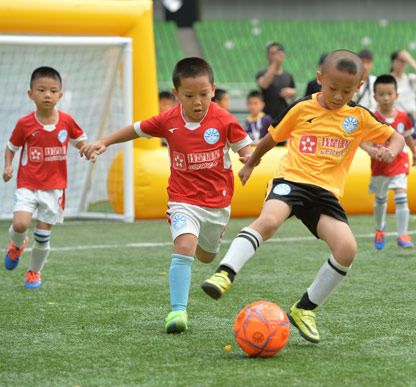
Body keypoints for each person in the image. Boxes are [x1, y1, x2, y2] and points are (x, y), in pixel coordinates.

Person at [200, 50, 405, 343]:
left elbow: (396, 137)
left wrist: (391, 151)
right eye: (332, 88)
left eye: (347, 90)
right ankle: (225, 273)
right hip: (291, 181)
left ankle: (305, 309)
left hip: (325, 194)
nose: (337, 96)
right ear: (320, 79)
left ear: (359, 87)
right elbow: (271, 138)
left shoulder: (358, 116)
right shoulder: (300, 109)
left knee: (347, 248)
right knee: (269, 221)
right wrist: (251, 163)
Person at [80, 57, 253, 333]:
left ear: (213, 89)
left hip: (217, 203)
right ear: (176, 95)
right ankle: (177, 312)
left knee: (207, 257)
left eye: (204, 95)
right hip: (182, 199)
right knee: (183, 247)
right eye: (189, 96)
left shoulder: (225, 119)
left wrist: (248, 161)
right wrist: (103, 141)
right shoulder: (168, 120)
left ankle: (202, 240)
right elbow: (135, 130)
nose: (198, 102)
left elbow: (245, 149)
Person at [3, 66, 88, 289]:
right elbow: (11, 147)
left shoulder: (66, 121)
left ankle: (34, 272)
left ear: (60, 95)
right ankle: (17, 245)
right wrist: (8, 166)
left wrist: (88, 149)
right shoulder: (25, 123)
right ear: (31, 94)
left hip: (54, 188)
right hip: (28, 184)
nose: (47, 95)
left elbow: (80, 140)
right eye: (41, 90)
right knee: (20, 224)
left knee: (43, 235)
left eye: (53, 91)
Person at [360, 74, 416, 249]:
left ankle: (403, 234)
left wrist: (414, 153)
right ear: (374, 97)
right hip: (380, 165)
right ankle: (380, 229)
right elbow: (360, 139)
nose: (386, 98)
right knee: (380, 199)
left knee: (401, 196)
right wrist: (370, 149)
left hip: (400, 161)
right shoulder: (371, 117)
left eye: (389, 93)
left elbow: (407, 137)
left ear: (396, 95)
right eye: (381, 94)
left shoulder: (403, 117)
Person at [256, 43, 296, 120]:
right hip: (268, 118)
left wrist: (293, 92)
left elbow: (292, 99)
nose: (276, 55)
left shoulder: (288, 76)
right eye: (273, 53)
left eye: (278, 52)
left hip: (285, 118)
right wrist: (275, 63)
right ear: (268, 56)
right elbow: (263, 85)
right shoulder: (262, 74)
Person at [390, 50, 416, 120]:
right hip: (395, 118)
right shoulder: (387, 80)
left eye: (404, 62)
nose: (402, 64)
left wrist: (409, 59)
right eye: (400, 61)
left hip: (411, 118)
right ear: (393, 62)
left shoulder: (409, 78)